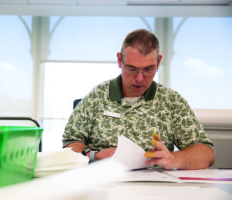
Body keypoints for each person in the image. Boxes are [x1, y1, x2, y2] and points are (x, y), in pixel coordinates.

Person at [62, 29, 215, 170]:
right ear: (119, 61)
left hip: (156, 189)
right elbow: (69, 146)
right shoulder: (97, 96)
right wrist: (96, 156)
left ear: (159, 62)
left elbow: (206, 153)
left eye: (148, 69)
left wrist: (174, 158)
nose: (140, 78)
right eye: (132, 69)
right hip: (103, 182)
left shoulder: (171, 102)